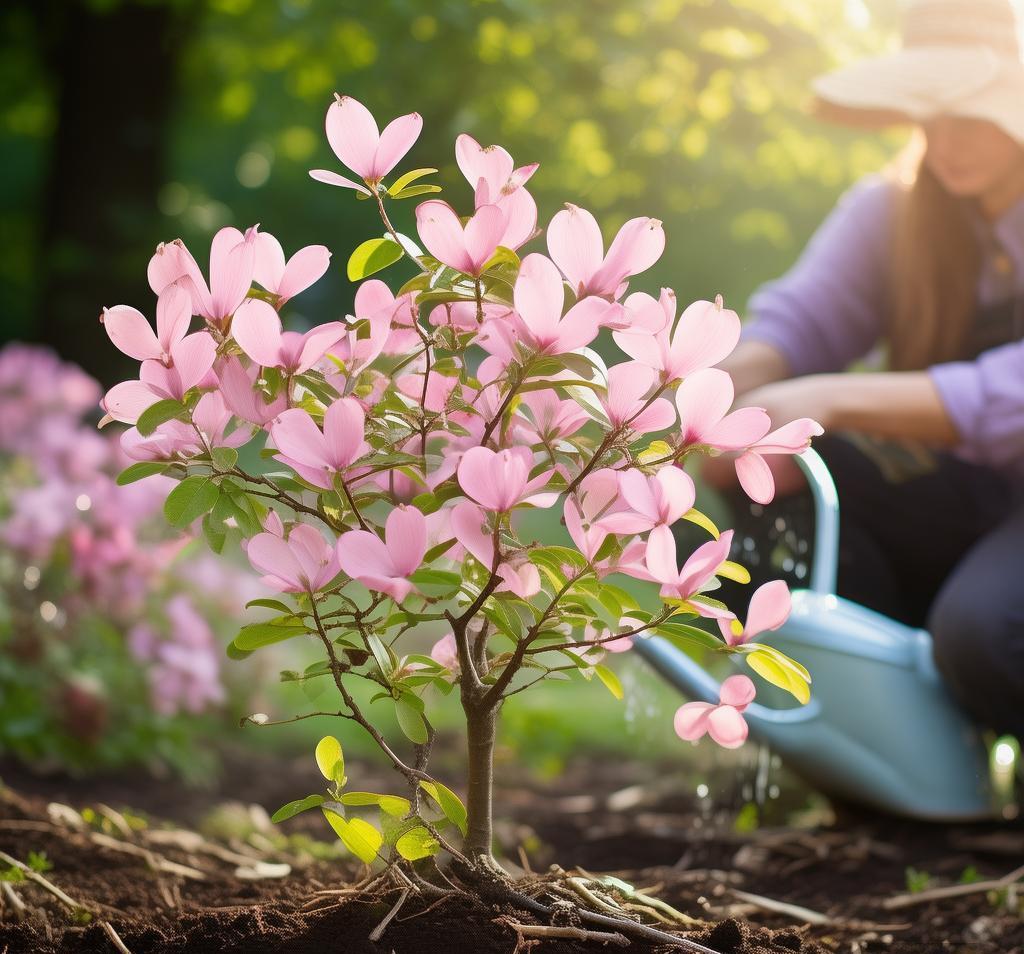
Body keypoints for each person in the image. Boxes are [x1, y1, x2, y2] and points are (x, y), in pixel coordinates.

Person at [703, 0, 1024, 740]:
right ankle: (899, 754)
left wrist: (828, 399)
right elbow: (798, 324)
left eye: (970, 111)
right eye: (928, 112)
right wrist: (695, 396)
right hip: (957, 500)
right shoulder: (893, 212)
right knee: (774, 488)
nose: (946, 138)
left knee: (985, 632)